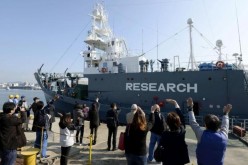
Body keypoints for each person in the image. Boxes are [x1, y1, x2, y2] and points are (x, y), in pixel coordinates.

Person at [187, 97, 232, 165]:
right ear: (218, 125)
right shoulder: (224, 135)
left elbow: (193, 122)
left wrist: (190, 108)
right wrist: (226, 113)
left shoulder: (201, 135)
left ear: (205, 125)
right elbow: (225, 125)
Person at [157, 99, 189, 165]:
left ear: (167, 122)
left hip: (167, 161)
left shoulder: (164, 135)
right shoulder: (181, 132)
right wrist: (175, 103)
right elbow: (182, 118)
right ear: (178, 121)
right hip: (179, 160)